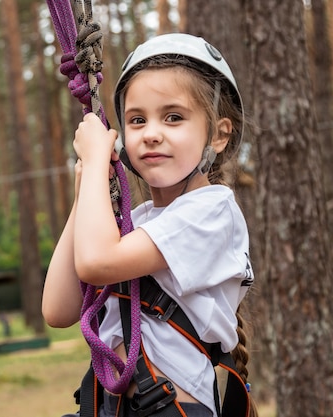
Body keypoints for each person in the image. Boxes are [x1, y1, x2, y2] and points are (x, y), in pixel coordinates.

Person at [42, 33, 255, 417]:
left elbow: (96, 263)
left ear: (219, 134)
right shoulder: (136, 224)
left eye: (174, 117)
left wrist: (93, 167)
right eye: (137, 120)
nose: (152, 133)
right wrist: (84, 194)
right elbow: (58, 310)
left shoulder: (212, 211)